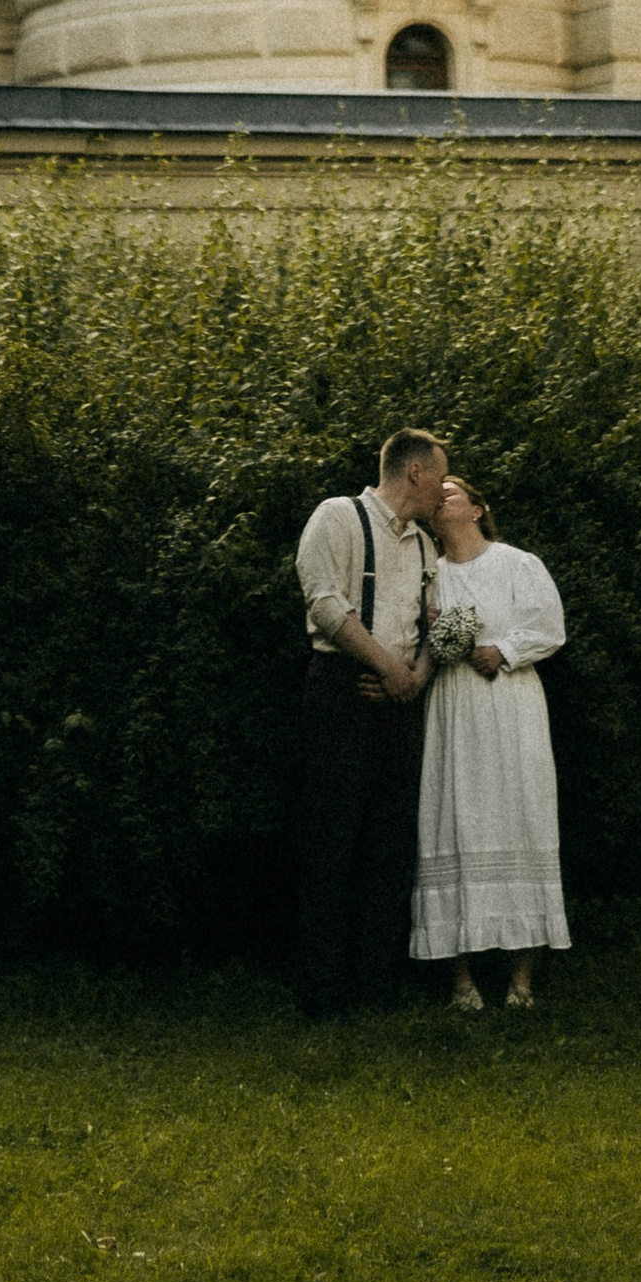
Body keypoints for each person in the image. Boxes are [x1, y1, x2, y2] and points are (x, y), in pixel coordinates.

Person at [291, 427, 446, 1019]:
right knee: (332, 836)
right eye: (439, 475)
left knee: (391, 840)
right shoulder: (337, 517)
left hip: (400, 699)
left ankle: (378, 986)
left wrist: (415, 676)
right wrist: (387, 668)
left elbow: (438, 622)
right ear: (414, 472)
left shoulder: (427, 547)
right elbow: (327, 605)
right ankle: (322, 994)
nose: (444, 488)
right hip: (342, 689)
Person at [412, 472, 569, 1008]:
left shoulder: (517, 564)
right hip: (455, 707)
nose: (441, 500)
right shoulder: (425, 575)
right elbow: (408, 639)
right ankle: (462, 983)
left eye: (451, 492)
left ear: (478, 509)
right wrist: (429, 630)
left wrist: (502, 648)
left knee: (518, 816)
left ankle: (521, 981)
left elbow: (550, 627)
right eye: (435, 497)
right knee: (454, 819)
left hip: (509, 705)